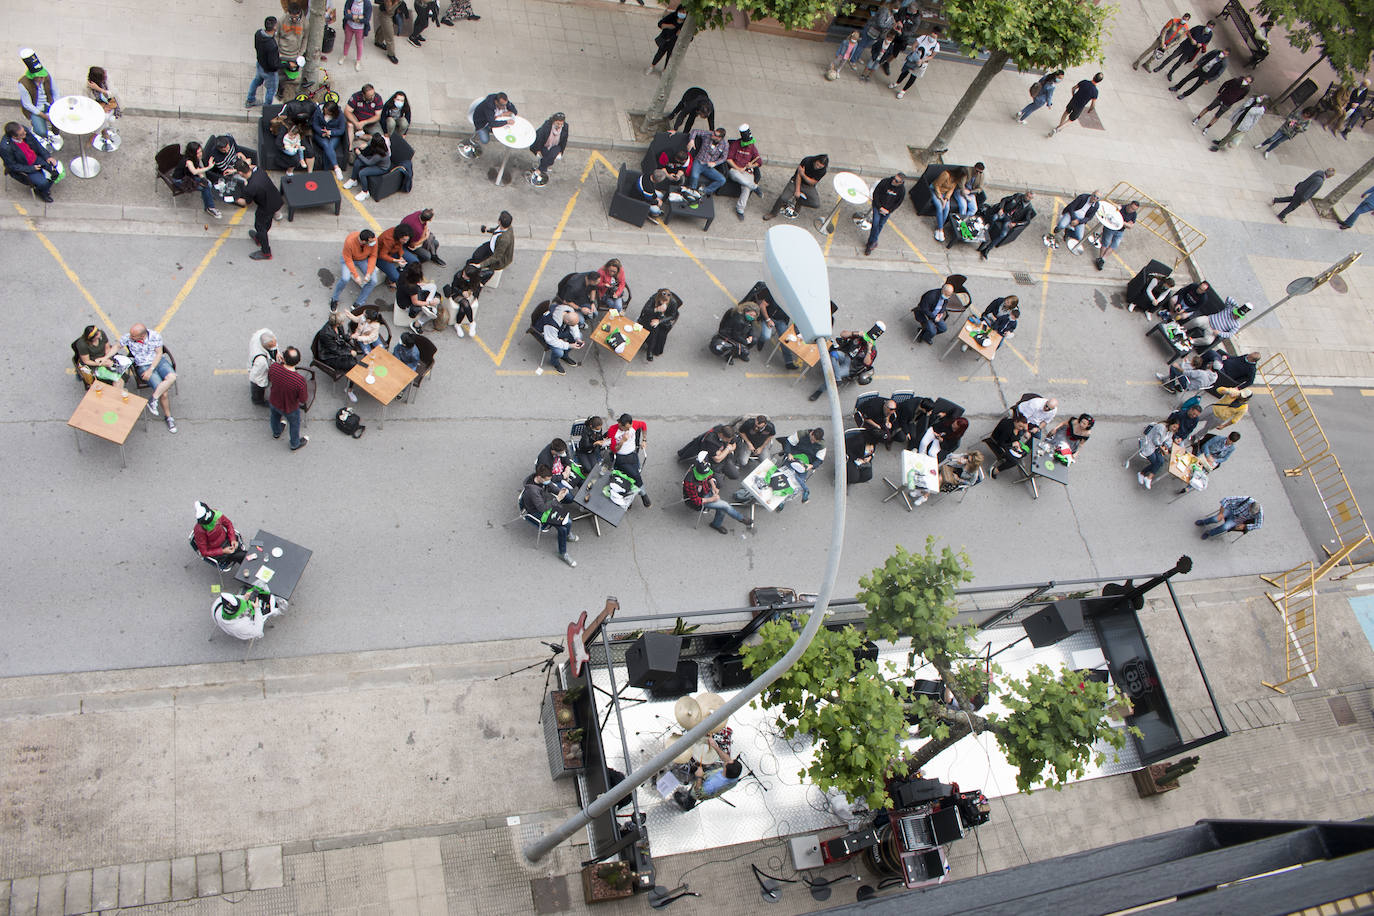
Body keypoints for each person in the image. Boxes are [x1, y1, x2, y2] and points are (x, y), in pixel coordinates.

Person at [120, 324, 178, 433]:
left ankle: (153, 399)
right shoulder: (128, 337)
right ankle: (168, 417)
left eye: (133, 336)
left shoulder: (155, 336)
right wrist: (105, 358)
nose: (130, 337)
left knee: (172, 377)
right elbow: (116, 347)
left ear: (142, 336)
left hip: (158, 362)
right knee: (164, 393)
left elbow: (159, 353)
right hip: (143, 365)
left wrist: (151, 370)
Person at [521, 465, 579, 567]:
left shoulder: (541, 480)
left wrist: (559, 491)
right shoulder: (533, 491)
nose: (549, 481)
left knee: (568, 521)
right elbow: (542, 508)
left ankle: (566, 536)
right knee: (563, 528)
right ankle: (563, 553)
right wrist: (557, 500)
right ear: (539, 477)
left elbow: (550, 486)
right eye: (547, 480)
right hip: (537, 512)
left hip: (546, 504)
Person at [807, 324, 883, 400]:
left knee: (832, 377)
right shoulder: (859, 337)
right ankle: (838, 378)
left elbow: (867, 363)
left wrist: (869, 350)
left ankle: (819, 391)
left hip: (851, 366)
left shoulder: (872, 350)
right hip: (845, 355)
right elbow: (843, 334)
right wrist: (855, 333)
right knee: (833, 354)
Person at [683, 453, 753, 535]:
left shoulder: (702, 467)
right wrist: (712, 499)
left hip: (707, 491)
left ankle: (716, 524)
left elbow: (709, 477)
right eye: (703, 477)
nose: (705, 477)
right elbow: (696, 501)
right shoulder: (690, 482)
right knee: (725, 506)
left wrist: (713, 487)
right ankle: (740, 518)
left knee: (722, 507)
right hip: (700, 500)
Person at [671, 735, 743, 810]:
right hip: (710, 778)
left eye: (726, 763)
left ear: (726, 770)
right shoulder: (734, 775)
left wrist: (699, 777)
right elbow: (727, 760)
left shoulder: (713, 784)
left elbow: (698, 793)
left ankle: (686, 804)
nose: (726, 761)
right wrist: (715, 747)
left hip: (701, 791)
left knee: (692, 795)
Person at [0, 121, 61, 203]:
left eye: (24, 131)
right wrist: (31, 168)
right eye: (22, 134)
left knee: (55, 172)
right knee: (43, 182)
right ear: (14, 136)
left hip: (35, 158)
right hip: (25, 166)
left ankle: (43, 188)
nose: (25, 133)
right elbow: (12, 166)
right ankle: (43, 192)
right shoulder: (5, 148)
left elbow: (36, 143)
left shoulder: (23, 130)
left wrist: (47, 156)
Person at [234, 160, 283, 261]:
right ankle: (259, 237)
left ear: (240, 173)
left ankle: (266, 252)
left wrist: (234, 198)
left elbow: (246, 203)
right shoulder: (259, 171)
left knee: (259, 226)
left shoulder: (250, 187)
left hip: (265, 206)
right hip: (275, 200)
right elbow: (253, 166)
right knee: (267, 222)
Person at [313, 311, 364, 402]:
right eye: (342, 322)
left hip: (337, 348)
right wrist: (349, 352)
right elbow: (335, 350)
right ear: (337, 323)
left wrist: (350, 337)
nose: (343, 323)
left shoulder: (338, 325)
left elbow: (343, 336)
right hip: (329, 356)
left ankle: (352, 381)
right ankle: (349, 390)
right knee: (354, 366)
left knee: (354, 361)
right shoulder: (326, 333)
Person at [267, 346, 311, 451]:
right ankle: (294, 444)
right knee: (294, 424)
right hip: (290, 408)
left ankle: (276, 433)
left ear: (283, 358)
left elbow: (269, 378)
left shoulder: (274, 367)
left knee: (274, 417)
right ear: (297, 362)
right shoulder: (299, 381)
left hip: (274, 401)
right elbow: (303, 399)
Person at [16, 50, 61, 150]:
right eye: (39, 77)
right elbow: (27, 105)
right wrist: (44, 116)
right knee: (41, 131)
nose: (42, 79)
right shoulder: (23, 83)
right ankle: (40, 132)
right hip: (36, 108)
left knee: (59, 121)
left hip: (49, 103)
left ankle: (55, 132)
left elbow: (56, 92)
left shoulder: (46, 76)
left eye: (42, 76)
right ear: (32, 77)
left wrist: (56, 106)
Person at [763, 154, 828, 221]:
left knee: (815, 203)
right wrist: (797, 190)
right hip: (795, 181)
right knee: (783, 198)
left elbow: (813, 182)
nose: (817, 167)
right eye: (817, 164)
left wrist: (803, 175)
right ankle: (773, 213)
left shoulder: (823, 171)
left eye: (820, 166)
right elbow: (798, 175)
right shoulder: (807, 161)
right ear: (815, 160)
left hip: (808, 186)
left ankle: (799, 202)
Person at [329, 229, 380, 311]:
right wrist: (356, 275)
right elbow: (348, 259)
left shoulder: (374, 240)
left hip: (363, 260)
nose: (374, 242)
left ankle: (359, 302)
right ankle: (334, 298)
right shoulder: (350, 241)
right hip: (349, 259)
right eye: (370, 242)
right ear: (363, 241)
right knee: (345, 278)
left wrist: (368, 273)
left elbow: (373, 256)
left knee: (373, 280)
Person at [978, 190, 1035, 260]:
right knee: (994, 217)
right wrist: (1001, 208)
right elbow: (1004, 199)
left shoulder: (1028, 208)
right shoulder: (1018, 196)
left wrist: (1015, 224)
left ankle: (987, 249)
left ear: (1031, 199)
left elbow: (1027, 221)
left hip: (1010, 220)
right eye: (1026, 195)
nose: (1026, 198)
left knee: (1003, 234)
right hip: (1004, 213)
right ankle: (986, 234)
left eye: (1029, 197)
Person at [212, 587, 285, 641]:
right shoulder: (242, 625)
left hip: (221, 623)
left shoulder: (218, 603)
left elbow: (237, 599)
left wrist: (244, 598)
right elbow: (258, 631)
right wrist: (257, 608)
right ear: (238, 615)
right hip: (239, 633)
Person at [73, 324, 132, 390]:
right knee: (116, 378)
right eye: (97, 333)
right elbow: (86, 361)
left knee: (120, 372)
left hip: (105, 358)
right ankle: (117, 392)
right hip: (94, 364)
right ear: (93, 338)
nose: (100, 332)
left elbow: (107, 348)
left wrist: (106, 358)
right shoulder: (82, 344)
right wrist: (102, 363)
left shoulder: (102, 334)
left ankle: (117, 391)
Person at [610, 414, 652, 505]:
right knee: (635, 475)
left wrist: (644, 440)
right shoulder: (613, 430)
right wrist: (622, 441)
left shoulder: (633, 425)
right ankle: (643, 494)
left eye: (630, 427)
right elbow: (614, 449)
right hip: (621, 457)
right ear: (620, 424)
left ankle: (630, 494)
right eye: (627, 428)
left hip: (633, 454)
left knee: (634, 474)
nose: (629, 430)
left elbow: (643, 425)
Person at [888, 26, 941, 98]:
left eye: (934, 37)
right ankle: (897, 83)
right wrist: (916, 56)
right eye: (931, 36)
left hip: (921, 63)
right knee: (905, 71)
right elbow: (914, 46)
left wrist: (922, 60)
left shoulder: (936, 45)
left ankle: (903, 91)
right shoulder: (923, 38)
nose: (932, 38)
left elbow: (932, 56)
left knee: (913, 77)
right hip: (913, 59)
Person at [174, 141, 222, 219]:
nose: (200, 154)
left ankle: (208, 199)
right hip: (181, 180)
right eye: (198, 152)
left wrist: (202, 178)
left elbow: (197, 168)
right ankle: (210, 208)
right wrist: (209, 167)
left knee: (208, 184)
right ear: (192, 153)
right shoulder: (188, 161)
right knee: (205, 188)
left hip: (188, 176)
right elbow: (194, 171)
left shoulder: (195, 158)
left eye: (200, 151)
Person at [725, 125, 763, 221]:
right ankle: (755, 187)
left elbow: (759, 162)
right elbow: (729, 159)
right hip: (736, 171)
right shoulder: (735, 144)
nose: (749, 146)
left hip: (747, 173)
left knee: (746, 187)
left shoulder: (752, 147)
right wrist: (738, 168)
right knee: (734, 173)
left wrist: (752, 165)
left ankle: (740, 210)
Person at [1130, 417, 1180, 489]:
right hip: (1149, 444)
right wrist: (1162, 448)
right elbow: (1155, 440)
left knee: (1161, 461)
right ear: (1170, 423)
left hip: (1156, 447)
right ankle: (1144, 475)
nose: (1174, 429)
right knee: (1155, 462)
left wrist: (1171, 447)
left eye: (1176, 428)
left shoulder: (1170, 432)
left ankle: (1146, 476)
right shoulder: (1161, 427)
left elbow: (1168, 442)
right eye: (1174, 426)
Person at [534, 304, 585, 374]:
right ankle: (555, 362)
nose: (574, 326)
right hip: (547, 334)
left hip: (557, 331)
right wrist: (569, 345)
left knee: (580, 335)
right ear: (567, 322)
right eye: (572, 324)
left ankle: (565, 355)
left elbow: (574, 326)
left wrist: (577, 338)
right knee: (559, 352)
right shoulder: (552, 324)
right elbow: (551, 340)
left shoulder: (568, 312)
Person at [462, 91, 516, 156]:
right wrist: (507, 122)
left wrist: (503, 114)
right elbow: (492, 123)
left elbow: (514, 111)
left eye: (505, 104)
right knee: (485, 140)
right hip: (481, 123)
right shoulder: (488, 107)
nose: (504, 107)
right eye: (502, 105)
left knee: (502, 130)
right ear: (496, 102)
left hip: (491, 120)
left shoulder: (502, 100)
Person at [1049, 73, 1102, 138]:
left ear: (1094, 76)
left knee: (1066, 112)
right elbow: (1093, 104)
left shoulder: (1084, 82)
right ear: (1099, 81)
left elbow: (1073, 88)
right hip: (1080, 107)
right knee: (1071, 120)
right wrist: (1090, 110)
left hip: (1073, 101)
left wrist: (1073, 95)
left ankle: (1060, 125)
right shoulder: (1095, 91)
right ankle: (1057, 129)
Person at [864, 172, 906, 255]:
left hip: (887, 210)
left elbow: (898, 203)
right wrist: (880, 207)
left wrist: (888, 210)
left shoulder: (901, 190)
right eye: (894, 178)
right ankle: (873, 242)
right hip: (878, 206)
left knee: (880, 225)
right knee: (875, 223)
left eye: (896, 181)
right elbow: (876, 194)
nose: (894, 181)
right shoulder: (885, 182)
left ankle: (871, 242)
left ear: (901, 183)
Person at [780, 428, 826, 503]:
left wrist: (811, 465)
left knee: (794, 482)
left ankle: (783, 501)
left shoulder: (822, 446)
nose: (812, 442)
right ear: (811, 433)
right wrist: (789, 453)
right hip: (794, 456)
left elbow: (819, 460)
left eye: (815, 441)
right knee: (785, 477)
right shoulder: (801, 434)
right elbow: (788, 442)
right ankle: (805, 489)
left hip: (806, 463)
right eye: (812, 439)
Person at [342, 132, 391, 201]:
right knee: (357, 162)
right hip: (376, 161)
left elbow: (369, 163)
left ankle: (365, 192)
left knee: (362, 173)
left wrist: (359, 154)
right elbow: (371, 141)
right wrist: (366, 144)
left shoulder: (379, 155)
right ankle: (353, 179)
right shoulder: (380, 143)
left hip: (381, 168)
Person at [244, 18, 281, 108]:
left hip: (260, 65)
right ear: (274, 27)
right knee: (271, 90)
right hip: (269, 72)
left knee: (256, 81)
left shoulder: (258, 33)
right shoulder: (272, 45)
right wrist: (288, 64)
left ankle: (250, 99)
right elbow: (274, 65)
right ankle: (266, 108)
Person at [442, 261, 484, 337]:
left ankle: (458, 324)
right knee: (465, 303)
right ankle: (471, 323)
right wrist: (462, 292)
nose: (463, 275)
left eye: (466, 275)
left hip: (469, 294)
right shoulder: (458, 275)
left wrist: (470, 292)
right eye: (463, 273)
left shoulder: (476, 279)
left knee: (462, 308)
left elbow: (476, 289)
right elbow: (454, 287)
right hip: (457, 294)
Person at [1093, 200, 1138, 271]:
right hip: (1111, 227)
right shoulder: (1121, 208)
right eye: (1131, 208)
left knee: (1115, 245)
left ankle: (1102, 259)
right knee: (1106, 243)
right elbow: (1112, 212)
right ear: (1129, 205)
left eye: (1134, 209)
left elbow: (1130, 226)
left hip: (1120, 231)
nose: (1131, 210)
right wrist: (1125, 223)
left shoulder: (1134, 214)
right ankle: (1101, 258)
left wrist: (1123, 223)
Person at [639, 288, 682, 362]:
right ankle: (650, 350)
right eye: (662, 301)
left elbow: (672, 316)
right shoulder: (654, 298)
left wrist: (660, 321)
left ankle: (650, 350)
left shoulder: (673, 302)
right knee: (654, 327)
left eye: (665, 301)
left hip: (663, 319)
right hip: (653, 314)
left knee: (655, 328)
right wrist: (657, 309)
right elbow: (645, 309)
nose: (663, 303)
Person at [396, 262, 440, 333]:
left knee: (432, 286)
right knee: (434, 312)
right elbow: (415, 302)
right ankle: (417, 325)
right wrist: (429, 303)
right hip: (407, 305)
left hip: (402, 295)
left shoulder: (404, 274)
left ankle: (427, 306)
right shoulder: (412, 288)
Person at [86, 66, 121, 152]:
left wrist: (99, 89)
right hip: (98, 106)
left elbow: (113, 93)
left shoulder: (107, 80)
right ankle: (104, 132)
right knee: (104, 118)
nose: (106, 77)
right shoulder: (87, 86)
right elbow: (88, 101)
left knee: (104, 118)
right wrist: (101, 107)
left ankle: (94, 136)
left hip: (112, 103)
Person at [687, 126, 730, 197]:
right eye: (714, 133)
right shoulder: (708, 134)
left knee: (722, 180)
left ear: (719, 138)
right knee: (694, 177)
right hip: (699, 161)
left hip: (708, 166)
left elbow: (724, 157)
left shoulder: (725, 144)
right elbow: (695, 131)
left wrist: (715, 163)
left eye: (715, 135)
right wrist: (692, 140)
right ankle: (692, 192)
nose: (713, 135)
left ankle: (703, 191)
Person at [528, 112, 568, 186]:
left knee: (552, 153)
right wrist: (538, 150)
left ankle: (538, 171)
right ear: (553, 121)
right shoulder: (547, 126)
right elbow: (540, 138)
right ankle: (544, 167)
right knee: (548, 156)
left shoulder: (565, 127)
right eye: (558, 123)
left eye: (561, 124)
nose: (559, 126)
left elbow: (564, 140)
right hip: (545, 145)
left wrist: (561, 151)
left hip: (556, 145)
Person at [1196, 496, 1262, 539]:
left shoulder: (1259, 513)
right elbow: (1226, 500)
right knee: (1215, 519)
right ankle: (1204, 522)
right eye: (1250, 510)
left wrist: (1245, 526)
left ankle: (1209, 533)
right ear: (1250, 505)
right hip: (1230, 509)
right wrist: (1221, 513)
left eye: (1252, 513)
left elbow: (1259, 525)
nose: (1250, 512)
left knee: (1224, 527)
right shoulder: (1247, 499)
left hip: (1239, 519)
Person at [646, 6, 687, 74]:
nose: (681, 13)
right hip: (666, 40)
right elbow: (660, 23)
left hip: (675, 44)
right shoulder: (672, 16)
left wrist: (681, 34)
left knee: (669, 58)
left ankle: (664, 70)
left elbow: (690, 38)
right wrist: (669, 26)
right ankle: (652, 66)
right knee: (659, 54)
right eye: (680, 11)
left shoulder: (686, 23)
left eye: (684, 12)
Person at [928, 166, 965, 242]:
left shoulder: (956, 180)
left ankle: (939, 228)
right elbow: (937, 185)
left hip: (944, 194)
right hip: (935, 191)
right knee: (940, 207)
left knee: (947, 208)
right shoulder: (946, 174)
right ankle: (941, 229)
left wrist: (946, 199)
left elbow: (951, 190)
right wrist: (941, 198)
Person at [345, 84, 384, 151]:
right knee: (350, 125)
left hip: (371, 122)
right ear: (363, 94)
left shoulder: (377, 98)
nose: (373, 97)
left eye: (373, 94)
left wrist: (364, 122)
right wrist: (356, 123)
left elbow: (377, 116)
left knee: (380, 138)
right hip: (357, 119)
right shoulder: (356, 96)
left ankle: (363, 138)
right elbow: (347, 111)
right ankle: (351, 147)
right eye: (370, 96)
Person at [375, 223, 413, 288]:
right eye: (404, 239)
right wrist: (396, 260)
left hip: (393, 251)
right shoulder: (389, 239)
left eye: (407, 240)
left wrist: (401, 256)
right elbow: (382, 255)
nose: (405, 242)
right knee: (396, 277)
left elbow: (400, 245)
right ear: (399, 237)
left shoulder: (399, 234)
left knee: (414, 261)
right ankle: (392, 279)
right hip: (381, 257)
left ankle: (397, 273)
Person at [248, 328, 278, 405]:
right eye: (272, 346)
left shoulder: (264, 333)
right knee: (258, 388)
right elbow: (257, 377)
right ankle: (257, 400)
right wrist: (264, 384)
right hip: (257, 377)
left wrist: (277, 353)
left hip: (256, 364)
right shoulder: (261, 361)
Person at [373, 0, 402, 64]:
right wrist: (396, 2)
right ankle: (391, 54)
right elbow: (389, 11)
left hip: (391, 14)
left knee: (385, 29)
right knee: (389, 36)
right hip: (386, 15)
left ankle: (378, 41)